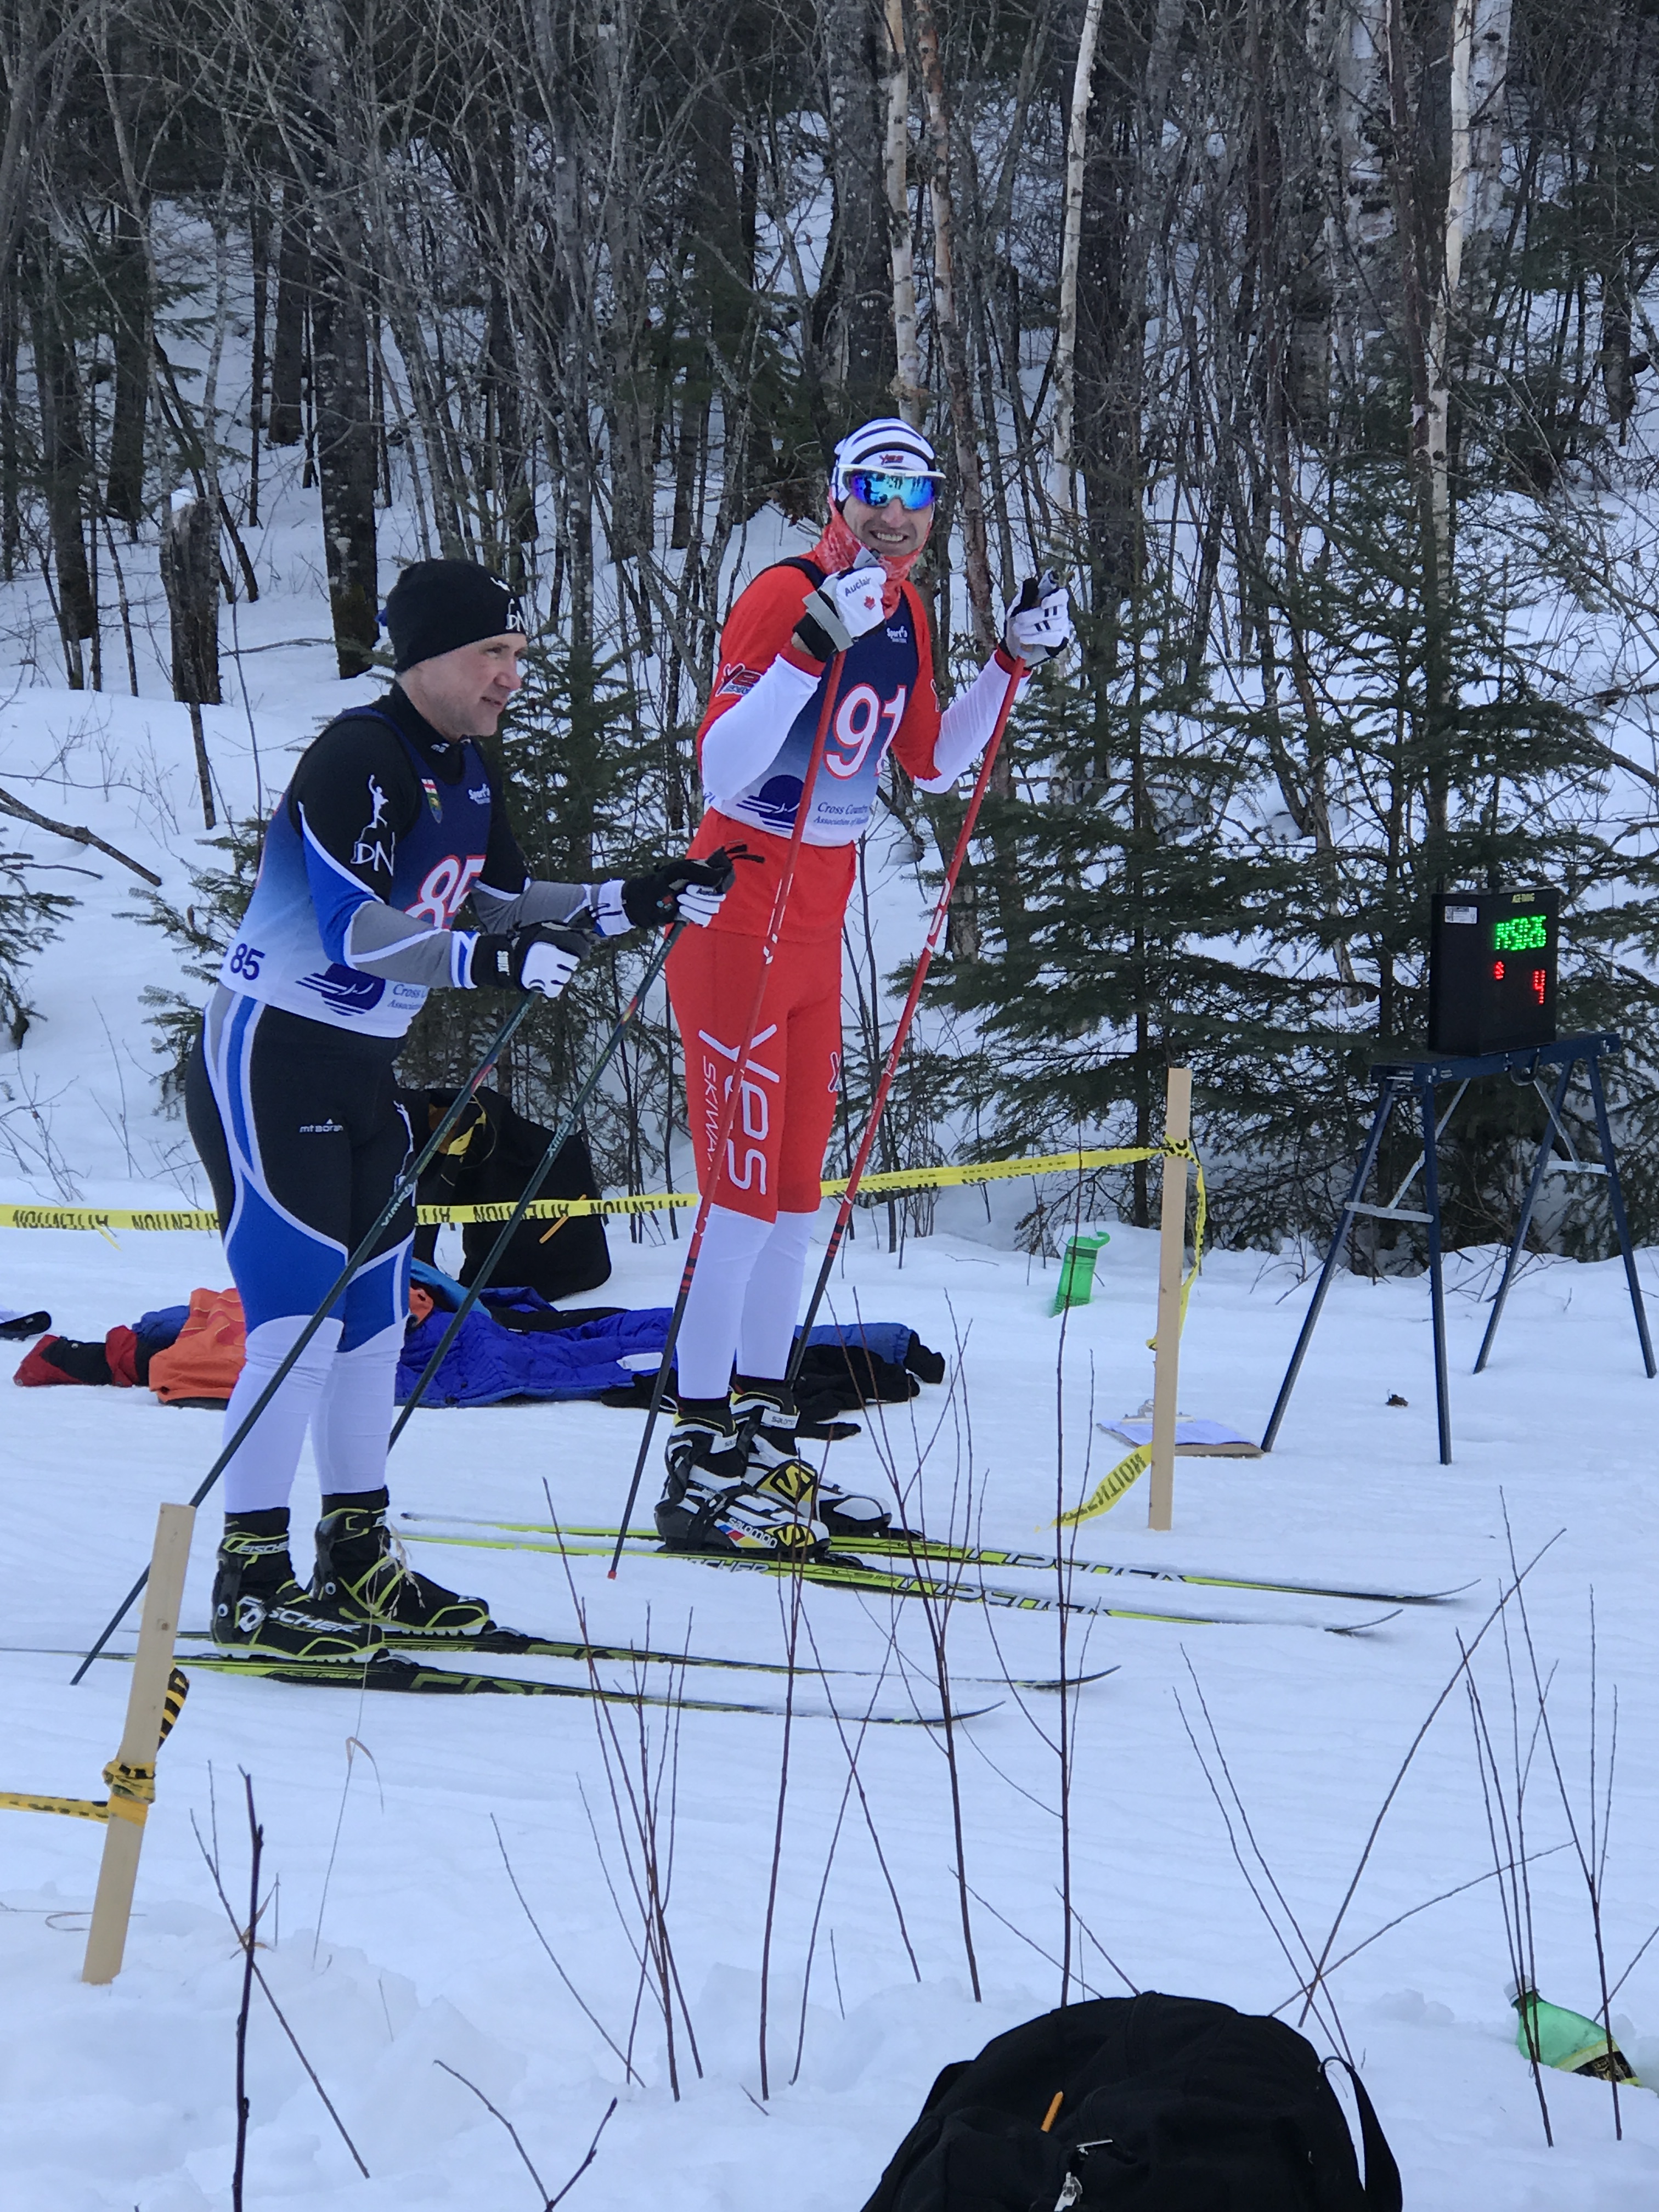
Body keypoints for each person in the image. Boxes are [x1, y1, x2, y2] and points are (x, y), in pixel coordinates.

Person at [186, 559, 734, 1660]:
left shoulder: (468, 767)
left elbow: (505, 904)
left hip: (362, 1073)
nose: (510, 677)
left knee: (374, 1328)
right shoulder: (360, 755)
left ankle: (355, 1555)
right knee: (295, 1329)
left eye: (517, 655)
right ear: (430, 657)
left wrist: (637, 897)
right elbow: (353, 930)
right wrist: (487, 960)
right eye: (493, 653)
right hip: (271, 1058)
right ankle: (252, 1577)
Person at [657, 417, 1072, 1555]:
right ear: (837, 496)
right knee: (738, 1206)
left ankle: (760, 1433)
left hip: (815, 932)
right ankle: (698, 1455)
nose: (894, 513)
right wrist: (805, 648)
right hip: (738, 924)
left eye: (916, 493)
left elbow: (930, 760)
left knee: (797, 1205)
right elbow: (721, 768)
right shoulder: (783, 593)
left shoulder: (908, 609)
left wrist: (1010, 663)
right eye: (872, 490)